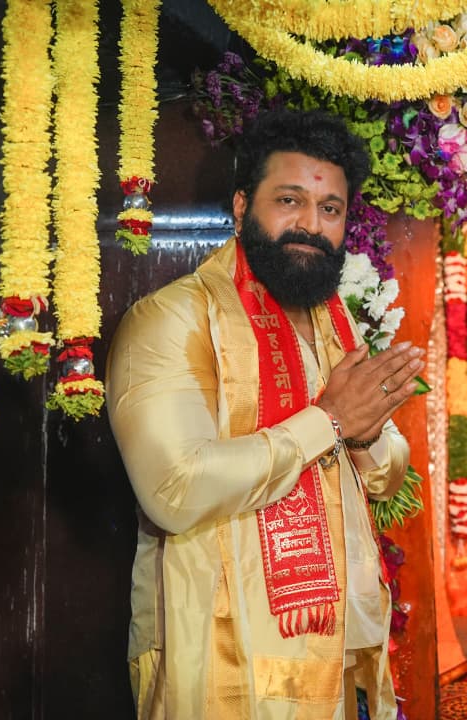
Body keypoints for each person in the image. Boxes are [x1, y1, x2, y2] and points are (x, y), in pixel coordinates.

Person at [106, 108, 422, 720]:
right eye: (289, 200)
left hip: (337, 648)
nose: (311, 224)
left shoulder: (334, 324)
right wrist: (329, 422)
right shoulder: (173, 319)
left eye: (330, 208)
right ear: (241, 205)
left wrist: (361, 435)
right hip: (222, 649)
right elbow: (175, 490)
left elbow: (384, 475)